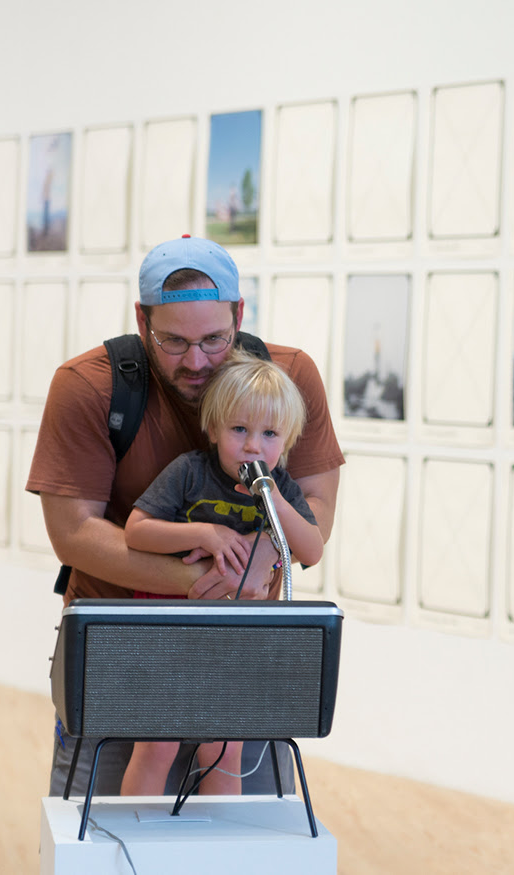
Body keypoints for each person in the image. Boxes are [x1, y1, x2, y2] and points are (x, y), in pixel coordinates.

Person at [27, 235, 345, 798]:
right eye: (172, 341)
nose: (196, 362)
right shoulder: (88, 387)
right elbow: (74, 535)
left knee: (236, 836)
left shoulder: (288, 381)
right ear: (141, 320)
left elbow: (315, 508)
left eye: (214, 340)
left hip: (241, 654)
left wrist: (267, 553)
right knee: (105, 847)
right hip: (120, 656)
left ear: (240, 316)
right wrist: (212, 581)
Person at [119, 349, 325, 796]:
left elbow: (312, 548)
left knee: (224, 749)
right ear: (213, 429)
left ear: (286, 442)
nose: (254, 445)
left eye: (270, 434)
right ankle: (136, 844)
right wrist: (207, 534)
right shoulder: (190, 472)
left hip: (234, 633)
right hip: (171, 624)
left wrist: (274, 501)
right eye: (239, 430)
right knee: (156, 746)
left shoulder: (281, 487)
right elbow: (137, 531)